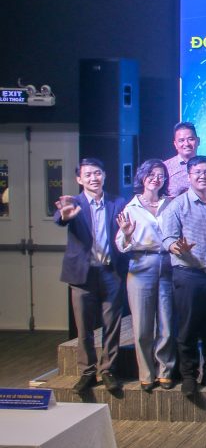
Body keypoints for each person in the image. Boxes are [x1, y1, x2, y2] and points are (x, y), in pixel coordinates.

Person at [54, 158, 128, 394]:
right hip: (82, 275)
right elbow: (60, 218)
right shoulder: (74, 202)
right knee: (84, 327)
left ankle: (108, 370)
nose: (93, 178)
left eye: (97, 173)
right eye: (87, 175)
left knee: (111, 325)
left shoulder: (118, 202)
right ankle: (87, 371)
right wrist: (65, 216)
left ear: (104, 175)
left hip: (110, 272)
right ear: (79, 179)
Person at [160, 155, 206, 397]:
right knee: (188, 327)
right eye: (198, 172)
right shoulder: (177, 205)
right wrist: (176, 248)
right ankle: (189, 375)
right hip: (188, 274)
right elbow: (167, 238)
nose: (203, 176)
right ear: (189, 176)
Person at [114, 159, 176, 392]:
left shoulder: (171, 203)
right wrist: (127, 234)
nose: (155, 179)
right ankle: (146, 373)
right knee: (142, 325)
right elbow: (121, 245)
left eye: (160, 175)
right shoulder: (131, 207)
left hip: (168, 263)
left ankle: (165, 371)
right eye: (151, 174)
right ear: (142, 177)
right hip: (141, 265)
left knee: (167, 323)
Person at [165, 122, 200, 198]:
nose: (186, 144)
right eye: (181, 140)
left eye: (191, 139)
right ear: (175, 144)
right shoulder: (165, 167)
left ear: (198, 141)